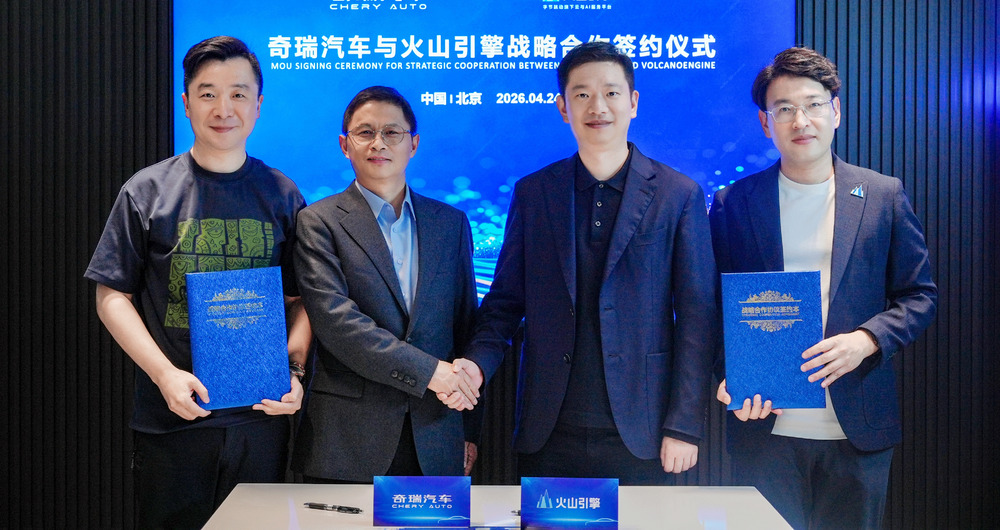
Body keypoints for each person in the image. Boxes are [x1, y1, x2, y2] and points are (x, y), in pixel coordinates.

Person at [453, 41, 718, 483]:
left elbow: (697, 316)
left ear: (633, 102)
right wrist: (475, 364)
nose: (598, 107)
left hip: (644, 431)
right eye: (582, 94)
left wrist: (684, 425)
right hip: (548, 429)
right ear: (563, 107)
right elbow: (504, 303)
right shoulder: (535, 193)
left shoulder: (678, 194)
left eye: (612, 93)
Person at [85, 36, 311, 529]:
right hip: (173, 418)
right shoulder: (147, 191)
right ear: (186, 103)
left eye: (238, 94)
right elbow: (112, 295)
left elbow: (300, 300)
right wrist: (164, 375)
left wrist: (293, 372)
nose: (223, 109)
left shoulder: (282, 193)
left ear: (258, 105)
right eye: (208, 94)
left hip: (261, 419)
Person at [710, 47, 937, 529]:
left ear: (835, 111)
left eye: (813, 104)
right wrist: (727, 376)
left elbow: (920, 296)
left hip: (857, 428)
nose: (801, 120)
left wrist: (867, 340)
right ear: (765, 122)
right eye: (784, 109)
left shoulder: (882, 195)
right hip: (765, 426)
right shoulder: (733, 203)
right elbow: (710, 306)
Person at [291, 86, 481, 482]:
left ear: (414, 144)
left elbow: (465, 327)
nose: (378, 143)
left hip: (437, 432)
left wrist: (469, 428)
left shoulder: (450, 224)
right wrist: (432, 373)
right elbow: (338, 324)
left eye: (392, 132)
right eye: (365, 132)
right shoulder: (318, 222)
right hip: (348, 440)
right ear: (345, 145)